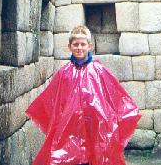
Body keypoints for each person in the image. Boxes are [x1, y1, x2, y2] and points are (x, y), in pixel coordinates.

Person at [26, 25, 141, 165]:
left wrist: (124, 115)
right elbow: (52, 100)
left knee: (96, 155)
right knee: (70, 158)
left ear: (89, 46)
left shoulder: (99, 71)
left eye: (83, 44)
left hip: (96, 126)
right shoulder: (64, 73)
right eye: (75, 44)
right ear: (69, 46)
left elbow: (115, 96)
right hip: (69, 130)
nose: (79, 48)